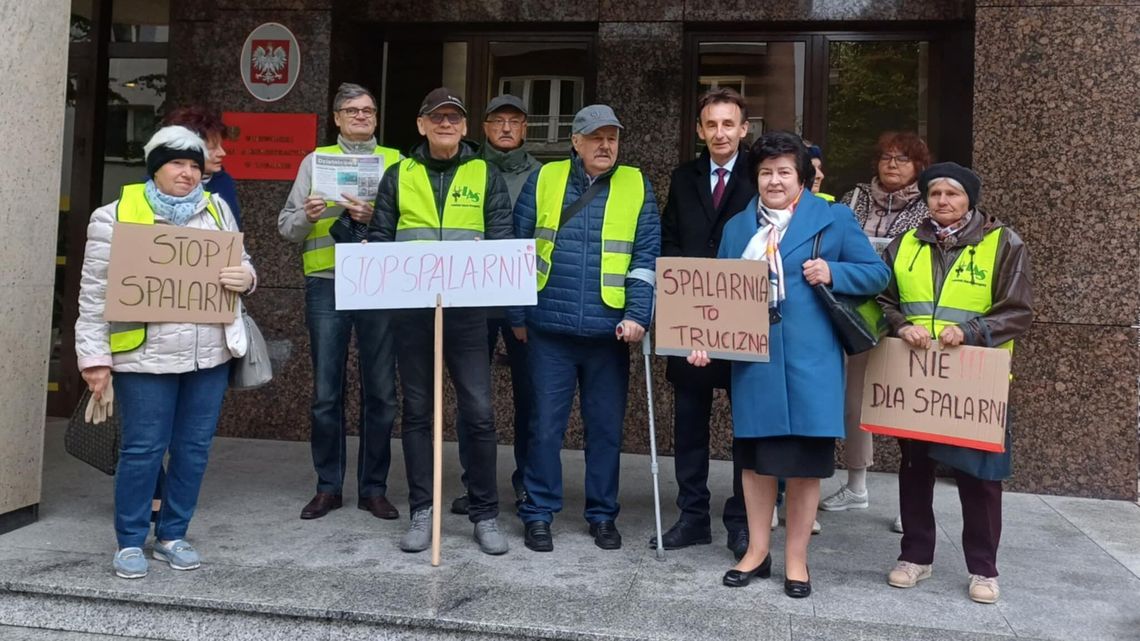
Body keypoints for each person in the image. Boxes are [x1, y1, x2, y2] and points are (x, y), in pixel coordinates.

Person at [689, 132, 888, 598]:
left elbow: (878, 274)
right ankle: (757, 551)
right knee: (755, 465)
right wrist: (703, 341)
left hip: (810, 364)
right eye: (765, 172)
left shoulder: (833, 218)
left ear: (801, 177)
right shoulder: (740, 226)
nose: (774, 180)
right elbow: (716, 296)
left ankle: (796, 560)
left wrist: (834, 272)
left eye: (783, 172)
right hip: (755, 363)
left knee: (802, 468)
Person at [75, 126, 255, 579]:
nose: (189, 174)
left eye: (196, 166)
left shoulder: (217, 211)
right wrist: (94, 360)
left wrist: (246, 279)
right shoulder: (114, 216)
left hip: (208, 356)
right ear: (156, 167)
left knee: (194, 449)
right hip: (144, 359)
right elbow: (95, 294)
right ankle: (131, 541)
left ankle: (173, 534)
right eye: (178, 163)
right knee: (142, 450)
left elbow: (244, 263)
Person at [359, 87, 514, 556]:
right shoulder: (398, 174)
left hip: (467, 316)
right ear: (422, 125)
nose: (446, 124)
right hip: (413, 315)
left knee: (480, 414)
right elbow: (382, 236)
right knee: (418, 414)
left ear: (466, 128)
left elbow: (501, 237)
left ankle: (486, 514)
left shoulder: (483, 172)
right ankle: (423, 511)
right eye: (437, 117)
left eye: (454, 118)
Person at [878, 162, 1033, 604]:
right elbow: (883, 297)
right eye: (935, 194)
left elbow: (1017, 309)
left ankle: (983, 569)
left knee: (980, 477)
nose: (943, 201)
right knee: (914, 468)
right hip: (918, 378)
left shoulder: (1003, 243)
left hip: (975, 381)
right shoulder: (905, 242)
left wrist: (972, 331)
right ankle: (915, 556)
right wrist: (900, 323)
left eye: (953, 194)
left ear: (970, 199)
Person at [511, 104, 661, 552]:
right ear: (575, 142)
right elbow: (520, 248)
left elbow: (645, 257)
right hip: (547, 330)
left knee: (606, 431)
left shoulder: (636, 184)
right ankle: (537, 513)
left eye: (612, 137)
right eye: (596, 137)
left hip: (608, 334)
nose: (606, 145)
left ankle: (602, 515)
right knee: (544, 427)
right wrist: (517, 316)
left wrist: (637, 315)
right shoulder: (544, 179)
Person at [278, 83, 402, 522]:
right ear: (336, 117)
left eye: (368, 109)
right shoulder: (314, 162)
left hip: (378, 282)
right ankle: (328, 487)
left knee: (381, 392)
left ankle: (373, 488)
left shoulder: (396, 162)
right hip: (326, 283)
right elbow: (286, 227)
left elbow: (413, 225)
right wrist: (306, 216)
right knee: (326, 393)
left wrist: (377, 217)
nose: (362, 116)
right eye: (352, 110)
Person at [655, 87, 752, 558]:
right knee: (689, 424)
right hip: (692, 320)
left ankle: (741, 521)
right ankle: (692, 516)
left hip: (743, 322)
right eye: (711, 124)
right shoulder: (683, 176)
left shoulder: (762, 176)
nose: (720, 133)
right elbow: (670, 240)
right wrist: (685, 311)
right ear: (699, 130)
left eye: (728, 124)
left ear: (743, 129)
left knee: (746, 428)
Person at [821, 131, 932, 526]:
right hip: (856, 312)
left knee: (908, 408)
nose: (892, 164)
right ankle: (857, 485)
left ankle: (913, 505)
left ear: (918, 166)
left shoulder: (931, 203)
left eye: (902, 158)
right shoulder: (852, 198)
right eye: (886, 157)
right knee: (854, 400)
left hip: (908, 318)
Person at [450, 94, 542, 516]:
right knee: (472, 398)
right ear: (483, 128)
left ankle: (528, 484)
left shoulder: (543, 176)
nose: (506, 127)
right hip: (470, 299)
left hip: (524, 301)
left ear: (526, 128)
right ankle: (476, 485)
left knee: (531, 399)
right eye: (497, 120)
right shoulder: (463, 171)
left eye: (515, 121)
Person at [163, 106, 242, 228]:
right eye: (213, 148)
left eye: (221, 145)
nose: (222, 153)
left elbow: (233, 234)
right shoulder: (152, 187)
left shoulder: (224, 182)